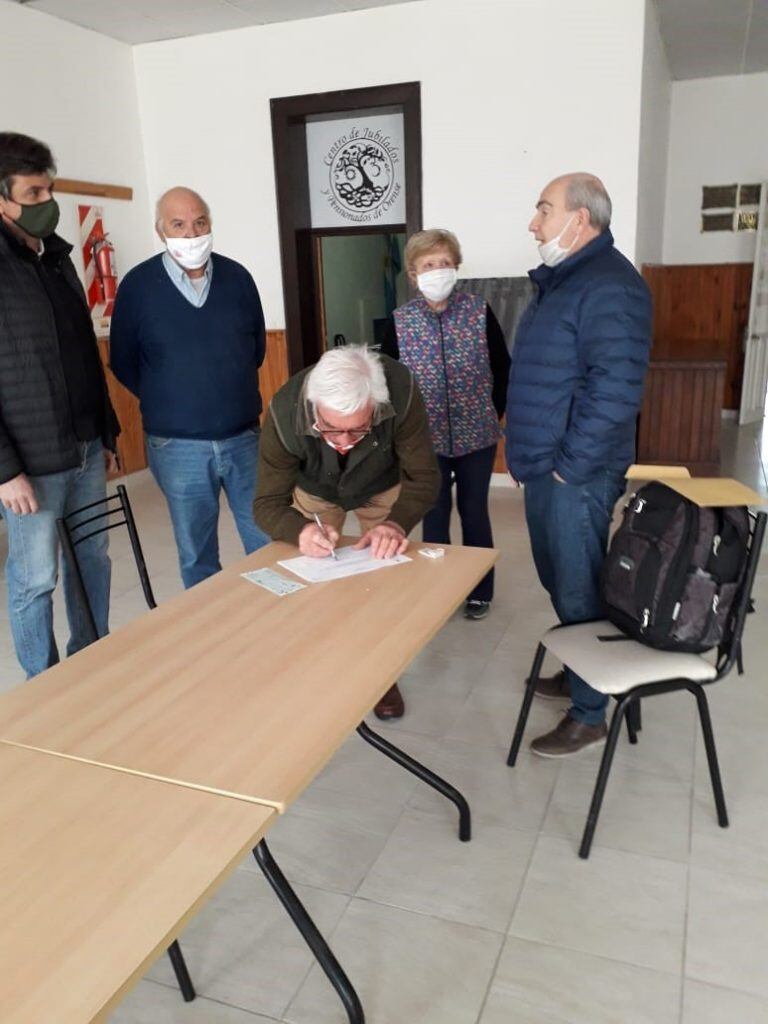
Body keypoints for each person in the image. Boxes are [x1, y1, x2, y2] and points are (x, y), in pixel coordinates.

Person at [506, 172, 652, 757]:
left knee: (578, 589)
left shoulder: (610, 287)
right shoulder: (564, 282)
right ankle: (579, 672)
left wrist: (569, 468)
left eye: (544, 209)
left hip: (574, 475)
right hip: (548, 468)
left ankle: (590, 713)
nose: (534, 222)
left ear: (581, 219)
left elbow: (615, 392)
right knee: (560, 583)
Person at [254, 344, 440, 719]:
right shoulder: (284, 410)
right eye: (329, 430)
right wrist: (300, 530)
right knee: (315, 580)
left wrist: (395, 522)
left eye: (357, 430)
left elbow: (424, 477)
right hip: (316, 493)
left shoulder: (400, 392)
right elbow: (267, 504)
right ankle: (324, 664)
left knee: (385, 578)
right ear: (313, 407)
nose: (342, 443)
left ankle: (382, 675)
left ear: (375, 406)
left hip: (381, 485)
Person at [0, 132, 120, 678]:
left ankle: (89, 665)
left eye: (49, 190)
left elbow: (85, 358)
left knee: (91, 559)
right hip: (31, 464)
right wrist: (6, 472)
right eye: (32, 193)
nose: (46, 203)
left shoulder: (58, 259)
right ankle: (41, 685)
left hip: (86, 447)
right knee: (35, 577)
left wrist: (110, 435)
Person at [110, 187, 269, 589]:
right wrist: (170, 397)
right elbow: (123, 361)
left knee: (267, 539)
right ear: (161, 230)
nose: (191, 232)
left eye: (200, 222)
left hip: (244, 438)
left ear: (210, 224)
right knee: (196, 551)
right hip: (177, 445)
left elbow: (257, 348)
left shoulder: (237, 278)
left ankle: (280, 626)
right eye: (178, 224)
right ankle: (209, 634)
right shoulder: (138, 286)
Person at [380, 228, 509, 620]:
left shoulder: (478, 310)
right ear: (414, 274)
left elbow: (502, 369)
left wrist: (492, 413)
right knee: (433, 515)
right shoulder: (399, 322)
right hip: (424, 441)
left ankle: (479, 592)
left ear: (456, 268)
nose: (437, 270)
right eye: (428, 264)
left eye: (444, 263)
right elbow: (387, 384)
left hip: (478, 436)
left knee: (474, 512)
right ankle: (439, 591)